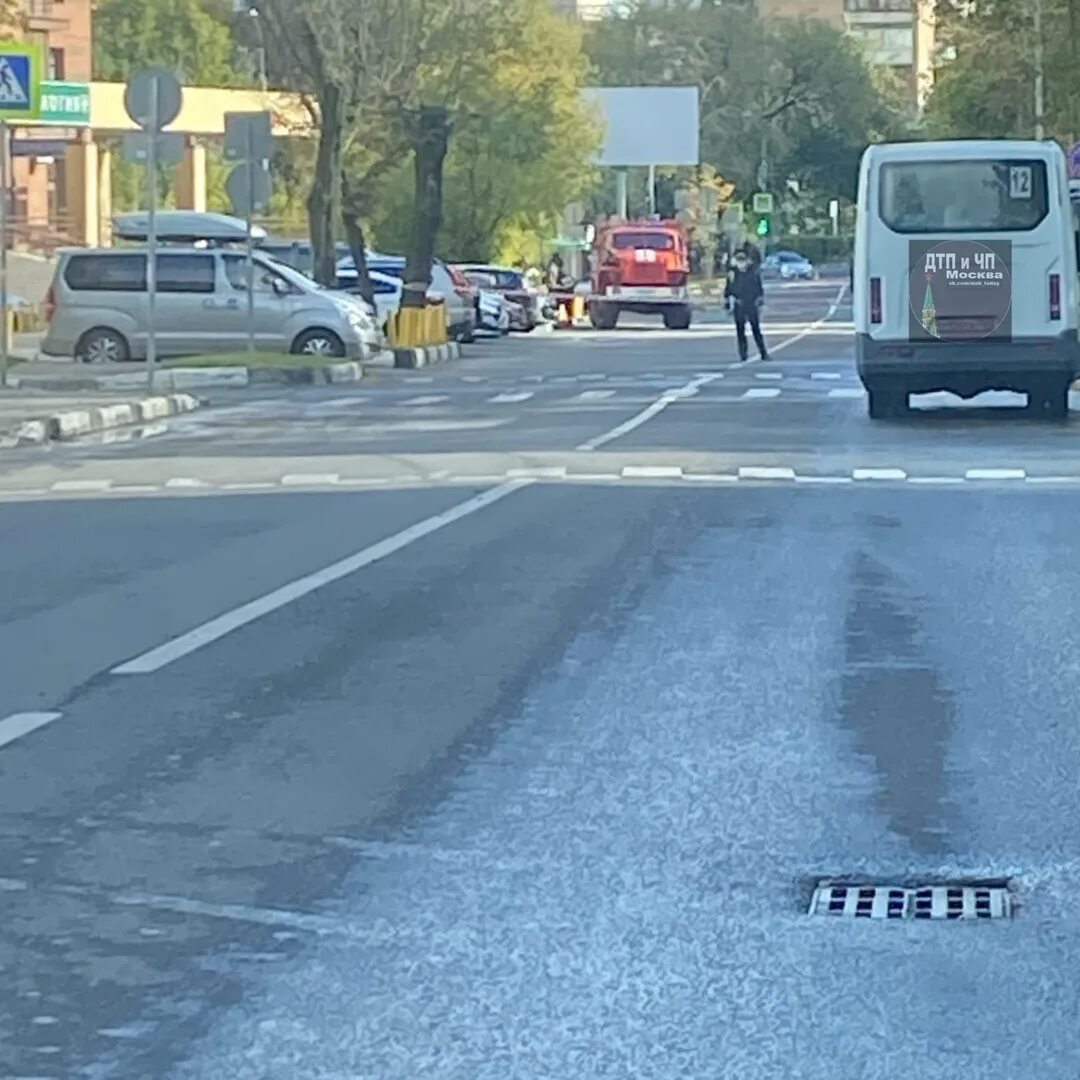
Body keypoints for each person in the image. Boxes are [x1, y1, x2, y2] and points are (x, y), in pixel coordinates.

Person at [724, 247, 768, 361]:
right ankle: (743, 355)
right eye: (738, 259)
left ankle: (763, 353)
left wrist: (759, 300)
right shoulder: (733, 274)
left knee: (756, 329)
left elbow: (759, 288)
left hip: (751, 304)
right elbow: (728, 290)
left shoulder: (753, 272)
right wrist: (728, 304)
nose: (740, 262)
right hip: (739, 304)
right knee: (740, 331)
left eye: (742, 259)